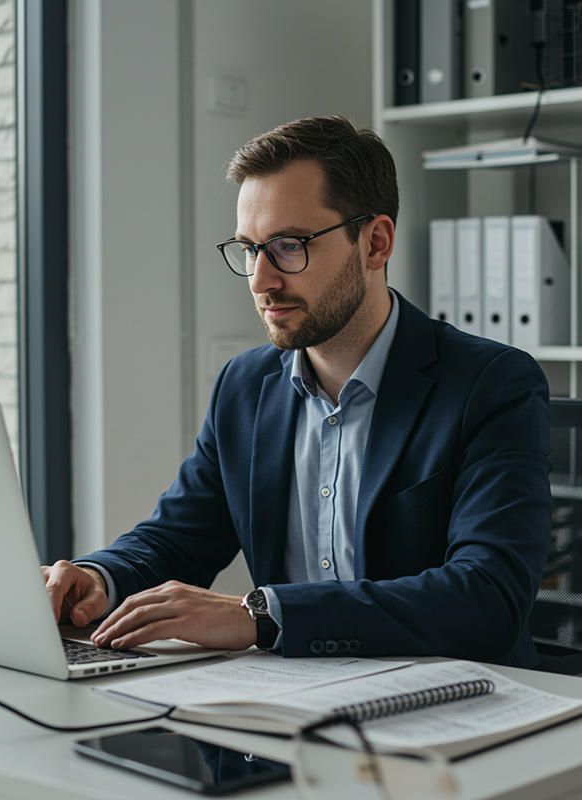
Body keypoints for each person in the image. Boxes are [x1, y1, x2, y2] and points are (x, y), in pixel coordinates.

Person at [43, 115, 552, 667]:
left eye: (289, 245)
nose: (260, 280)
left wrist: (262, 615)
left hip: (454, 698)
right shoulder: (244, 387)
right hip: (294, 698)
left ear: (375, 243)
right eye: (249, 249)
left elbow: (488, 597)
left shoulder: (491, 384)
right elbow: (177, 538)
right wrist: (98, 577)